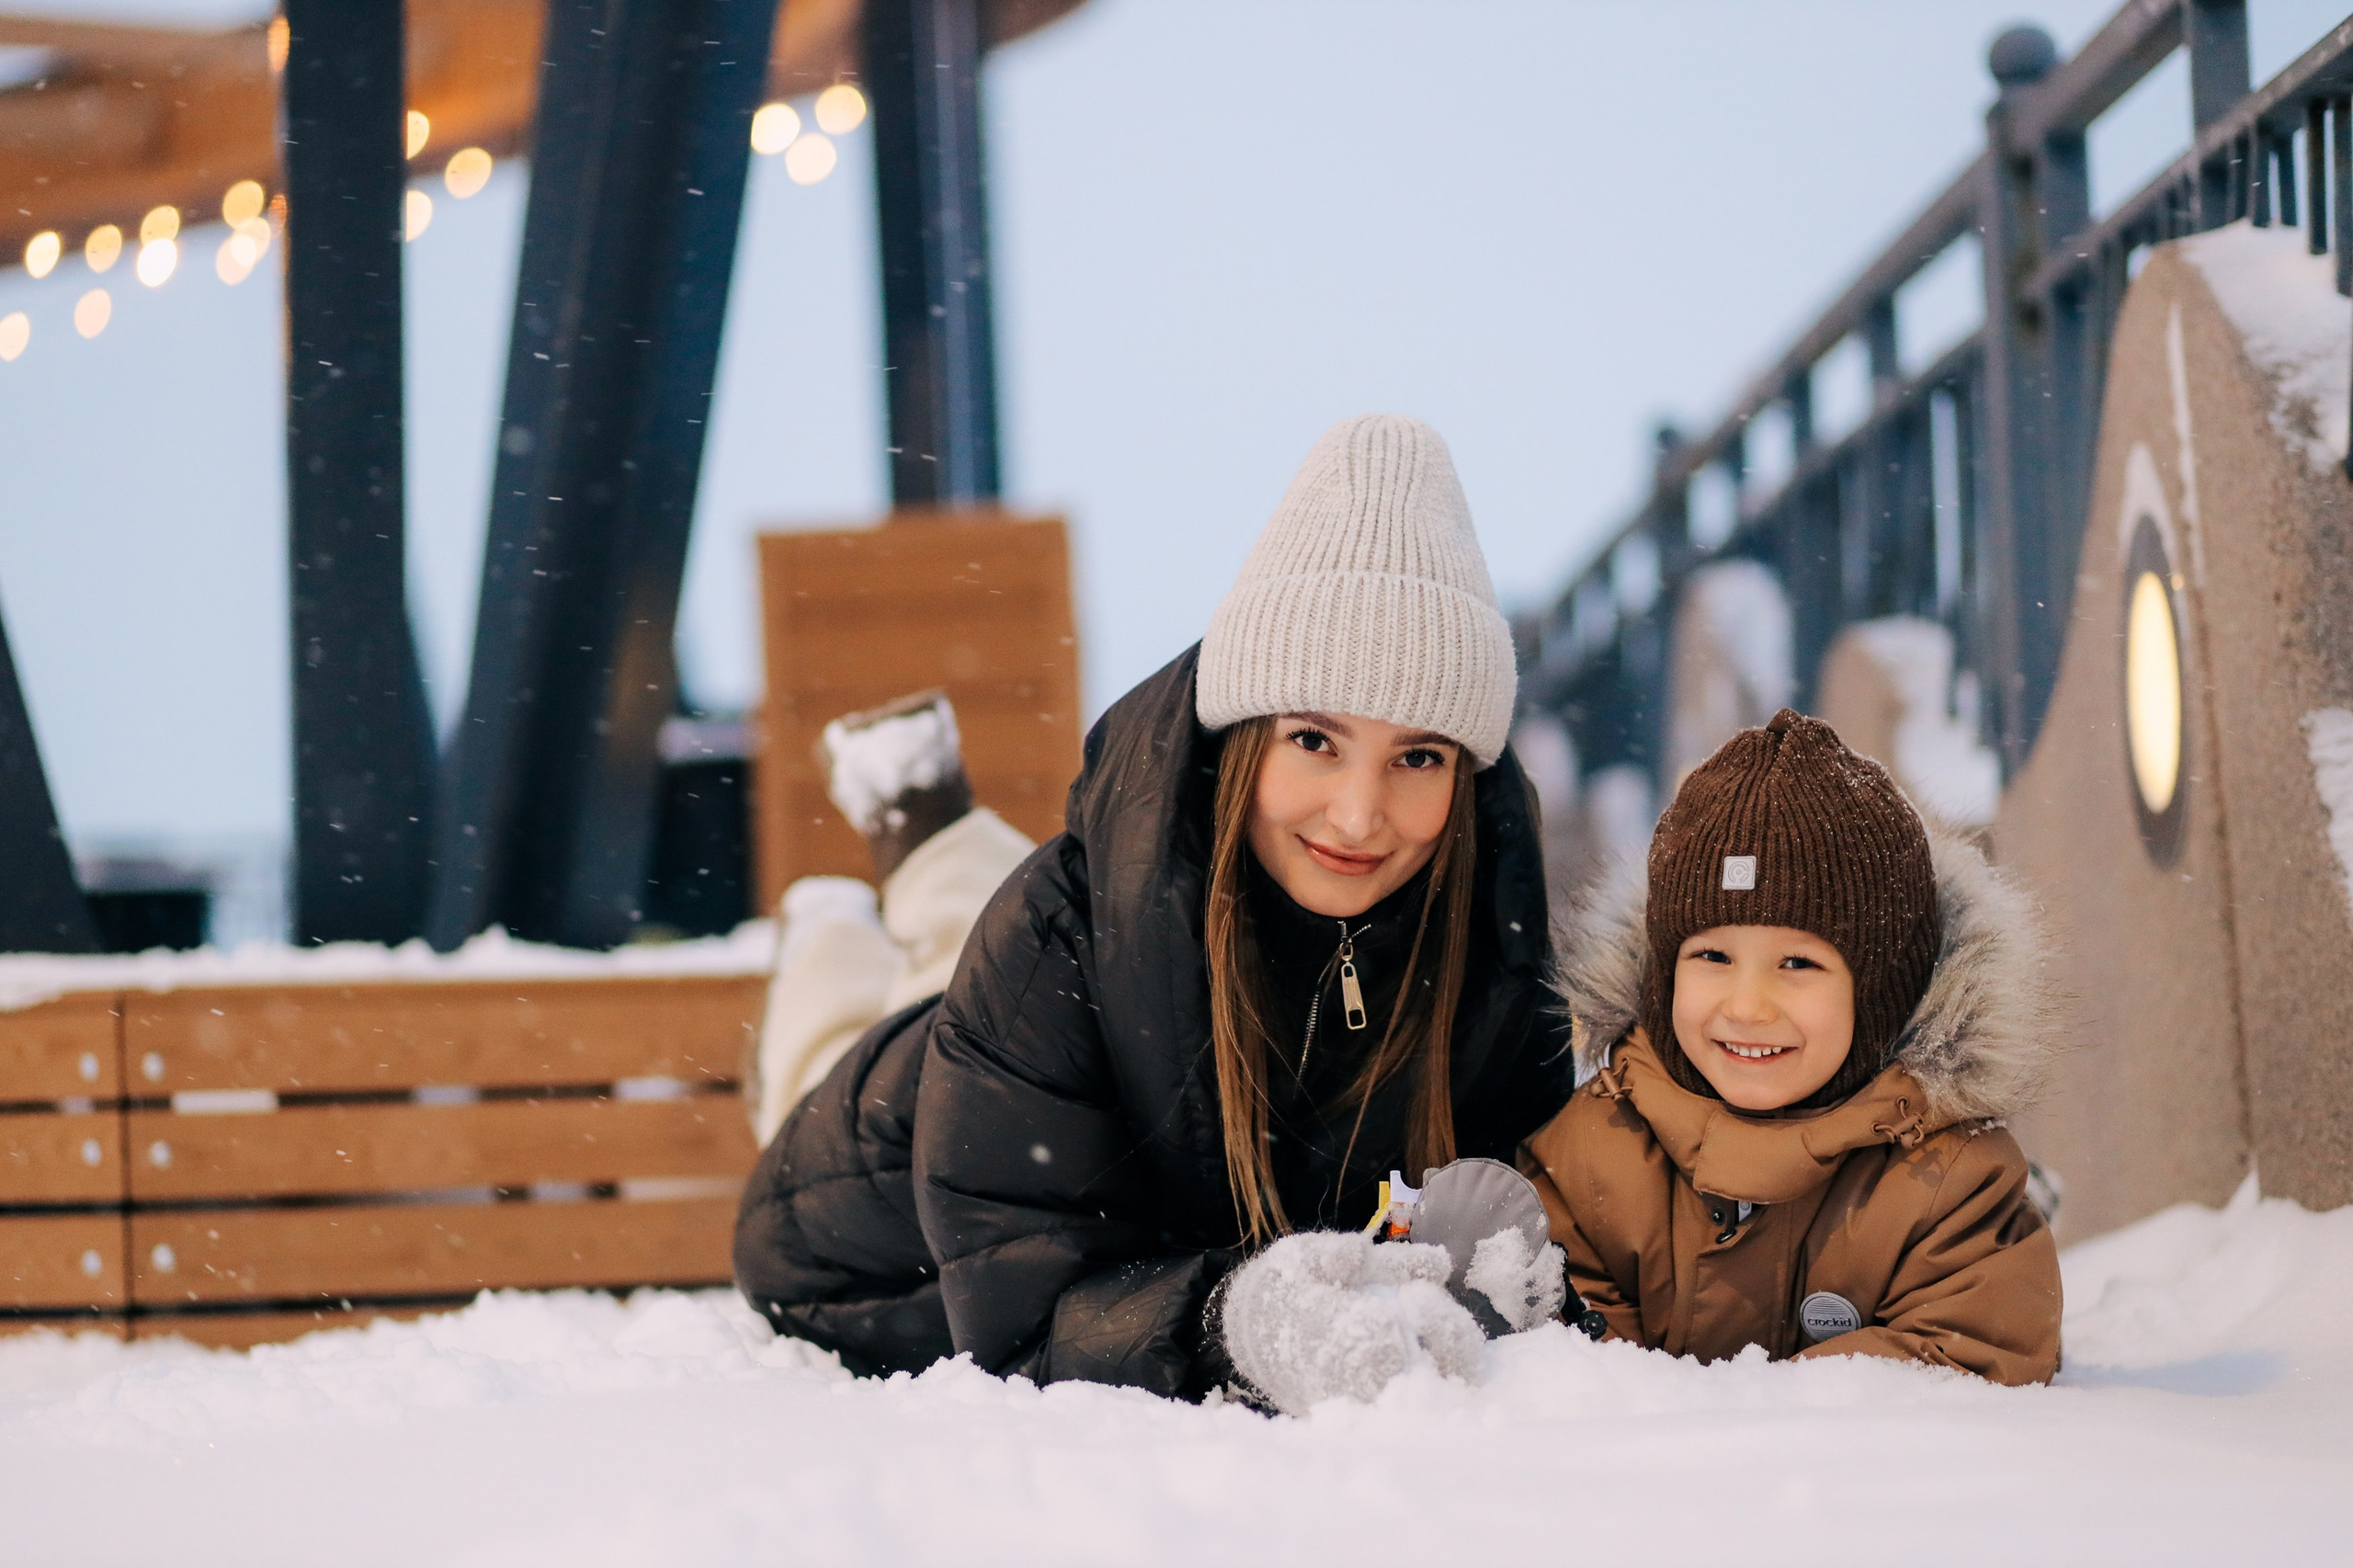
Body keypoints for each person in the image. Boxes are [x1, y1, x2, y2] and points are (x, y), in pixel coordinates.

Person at [733, 413, 1575, 1397]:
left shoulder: (1487, 951)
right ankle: (836, 917)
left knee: (971, 948)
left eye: (1418, 756)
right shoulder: (1049, 945)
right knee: (861, 1020)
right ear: (1241, 736)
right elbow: (1025, 1324)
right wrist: (1232, 1321)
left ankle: (932, 831)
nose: (1359, 814)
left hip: (1019, 1073)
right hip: (859, 1226)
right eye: (1314, 739)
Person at [1521, 709, 2063, 1384]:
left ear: (1881, 991)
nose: (1747, 1006)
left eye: (1798, 964)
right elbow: (1567, 1360)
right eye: (1713, 956)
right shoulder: (1596, 1152)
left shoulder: (1947, 1181)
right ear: (1663, 977)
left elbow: (1978, 1351)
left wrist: (1741, 1412)